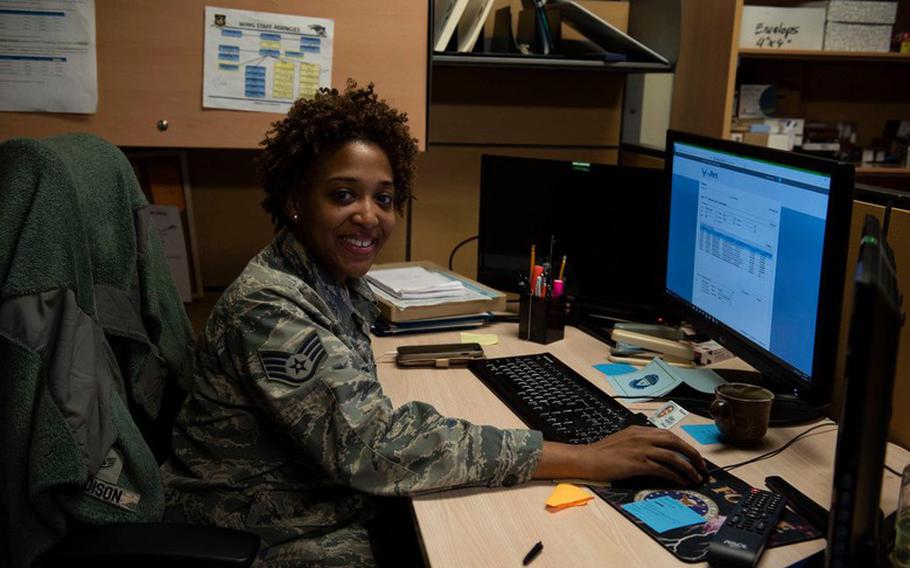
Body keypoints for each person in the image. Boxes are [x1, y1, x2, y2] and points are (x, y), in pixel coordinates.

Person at [161, 81, 706, 567]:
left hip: (313, 496)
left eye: (385, 198)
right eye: (343, 194)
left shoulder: (329, 280)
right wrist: (585, 457)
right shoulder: (270, 306)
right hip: (259, 526)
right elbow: (374, 449)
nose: (369, 216)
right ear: (295, 201)